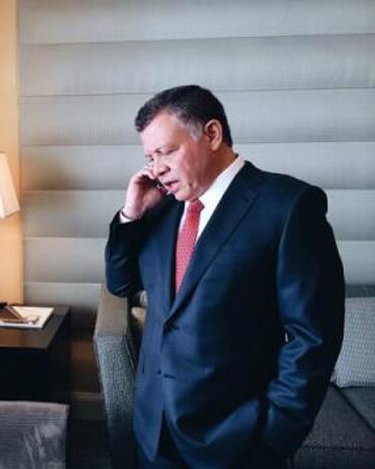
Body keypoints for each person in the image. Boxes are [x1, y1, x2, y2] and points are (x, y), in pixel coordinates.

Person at [105, 85, 345, 468]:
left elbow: (314, 337)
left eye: (166, 151)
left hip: (237, 440)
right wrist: (131, 215)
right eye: (150, 157)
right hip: (154, 430)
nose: (157, 168)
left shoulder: (288, 206)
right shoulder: (162, 207)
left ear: (212, 134)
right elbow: (121, 283)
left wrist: (273, 435)